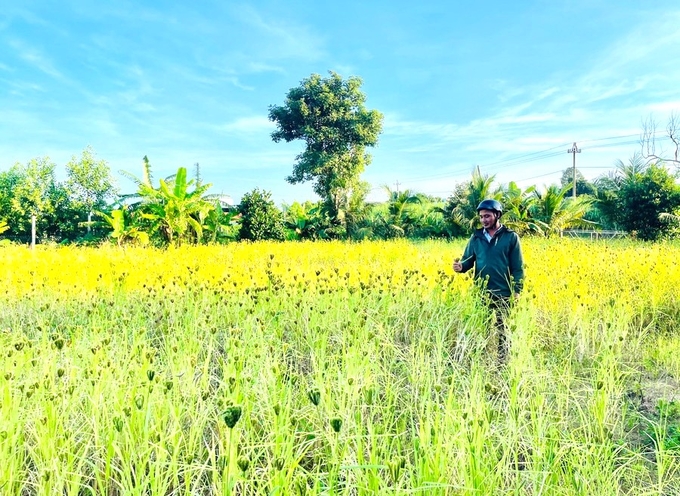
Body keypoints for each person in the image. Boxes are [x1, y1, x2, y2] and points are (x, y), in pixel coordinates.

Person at [453, 199, 524, 364]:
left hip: (504, 292)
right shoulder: (476, 237)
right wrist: (460, 267)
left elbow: (518, 267)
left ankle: (502, 361)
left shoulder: (510, 237)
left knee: (503, 328)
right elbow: (468, 260)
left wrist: (517, 290)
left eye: (487, 216)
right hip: (481, 292)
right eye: (481, 217)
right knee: (481, 326)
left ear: (497, 215)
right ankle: (481, 358)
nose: (484, 220)